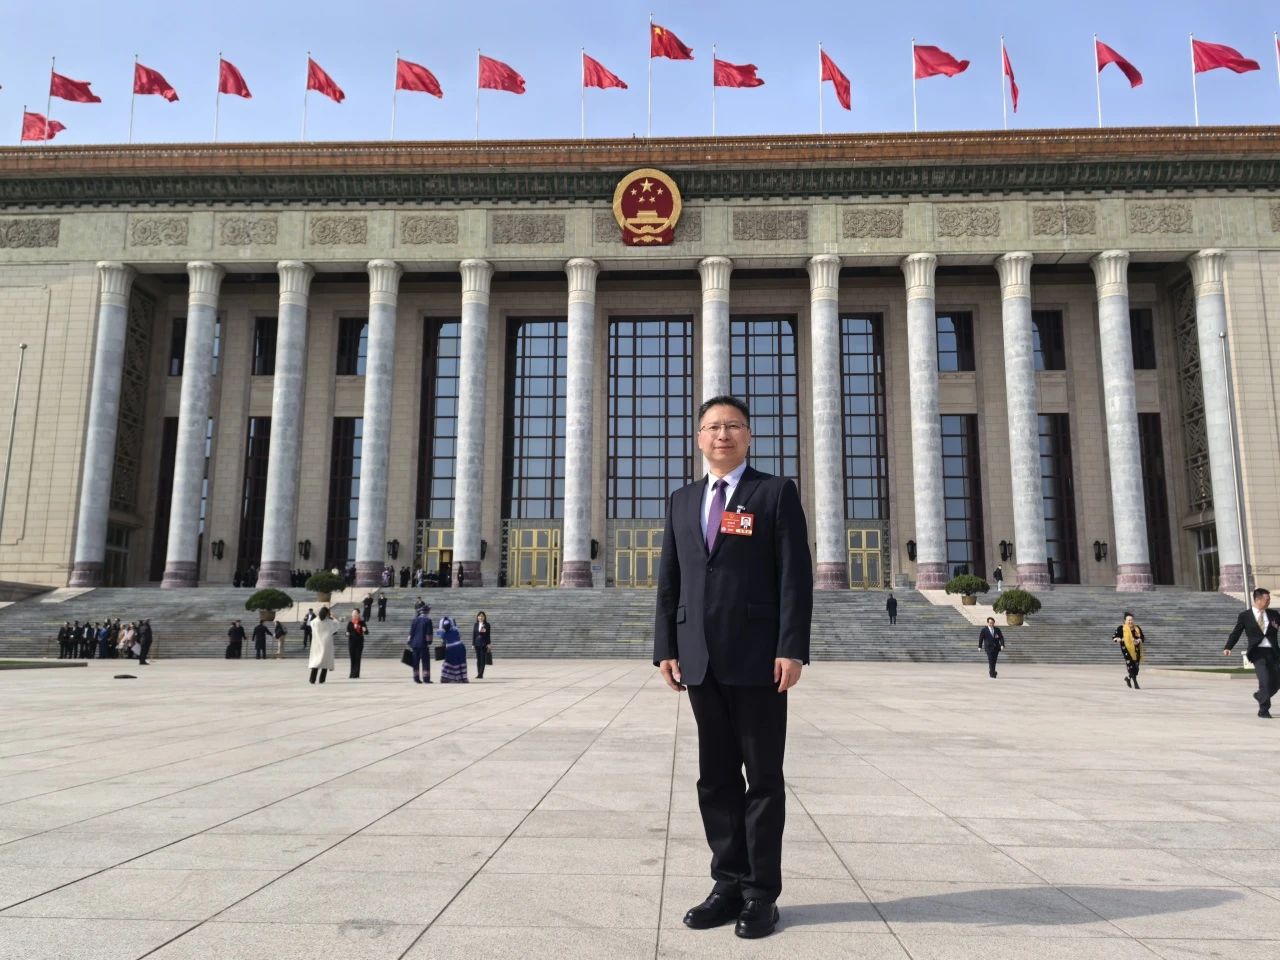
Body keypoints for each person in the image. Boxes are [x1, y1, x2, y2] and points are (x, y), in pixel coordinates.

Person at [654, 395, 812, 941]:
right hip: (699, 660)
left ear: (748, 436)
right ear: (699, 438)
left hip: (759, 659)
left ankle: (761, 893)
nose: (722, 435)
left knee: (762, 779)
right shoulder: (683, 500)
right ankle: (726, 884)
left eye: (733, 426)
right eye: (712, 427)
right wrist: (665, 647)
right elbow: (670, 580)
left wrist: (791, 648)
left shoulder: (774, 492)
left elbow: (794, 577)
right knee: (715, 779)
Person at [1224, 587, 1280, 719]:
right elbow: (1236, 632)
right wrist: (1228, 647)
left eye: (1269, 600)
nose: (1269, 602)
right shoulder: (1245, 616)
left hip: (1274, 652)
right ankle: (1264, 710)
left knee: (1276, 682)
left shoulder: (1274, 614)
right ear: (1257, 600)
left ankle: (1260, 695)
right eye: (1266, 600)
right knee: (1265, 680)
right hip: (1257, 653)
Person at [1113, 611, 1145, 690]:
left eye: (1131, 620)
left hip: (1136, 650)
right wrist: (1119, 639)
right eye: (1128, 620)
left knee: (1136, 668)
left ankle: (1128, 678)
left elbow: (1142, 637)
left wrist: (1138, 640)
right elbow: (1114, 637)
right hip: (1127, 650)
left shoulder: (1137, 628)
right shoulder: (1121, 628)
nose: (1130, 621)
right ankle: (1135, 683)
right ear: (1125, 621)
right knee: (1131, 666)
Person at [308, 607, 338, 684]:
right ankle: (322, 679)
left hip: (317, 643)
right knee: (325, 661)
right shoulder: (329, 622)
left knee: (316, 661)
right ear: (327, 614)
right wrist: (333, 617)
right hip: (326, 643)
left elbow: (311, 625)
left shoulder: (315, 621)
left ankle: (312, 679)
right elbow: (337, 626)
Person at [407, 605, 433, 683]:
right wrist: (429, 642)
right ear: (427, 611)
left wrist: (409, 641)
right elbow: (429, 633)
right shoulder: (428, 620)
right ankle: (426, 678)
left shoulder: (415, 620)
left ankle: (416, 678)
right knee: (425, 662)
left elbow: (411, 632)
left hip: (414, 644)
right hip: (423, 644)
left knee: (415, 662)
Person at [438, 616, 468, 682]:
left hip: (451, 649)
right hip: (460, 647)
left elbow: (441, 637)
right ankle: (462, 678)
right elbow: (455, 626)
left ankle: (446, 678)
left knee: (449, 663)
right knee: (461, 663)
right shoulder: (455, 631)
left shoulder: (443, 633)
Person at [347, 608, 368, 679]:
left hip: (359, 643)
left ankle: (356, 674)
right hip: (351, 643)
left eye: (355, 613)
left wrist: (365, 630)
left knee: (357, 658)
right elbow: (347, 632)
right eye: (353, 613)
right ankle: (352, 674)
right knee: (352, 658)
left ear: (358, 614)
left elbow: (367, 632)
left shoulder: (362, 622)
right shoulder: (350, 623)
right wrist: (346, 633)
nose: (354, 614)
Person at [473, 611, 492, 679]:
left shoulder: (487, 625)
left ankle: (481, 674)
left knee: (482, 659)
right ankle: (479, 673)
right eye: (479, 616)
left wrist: (489, 643)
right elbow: (474, 635)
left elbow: (488, 635)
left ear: (484, 617)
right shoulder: (476, 624)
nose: (480, 617)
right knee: (478, 659)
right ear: (477, 617)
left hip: (484, 644)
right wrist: (473, 644)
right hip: (477, 644)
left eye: (482, 616)